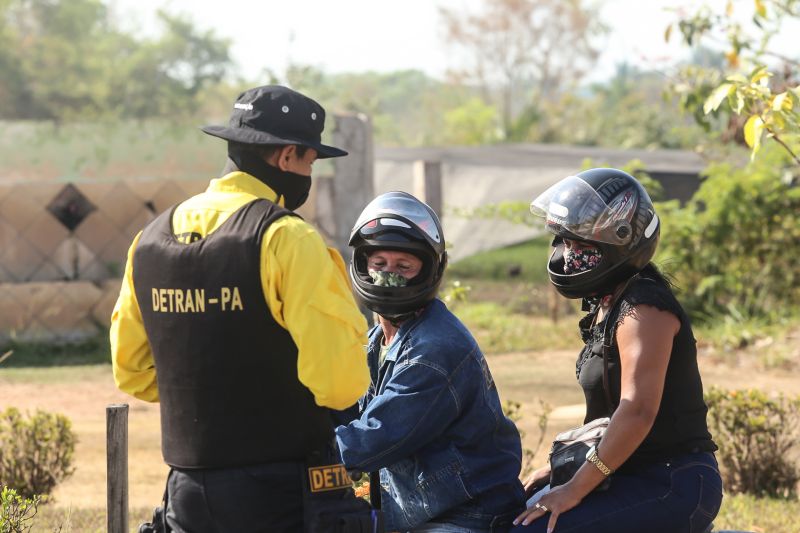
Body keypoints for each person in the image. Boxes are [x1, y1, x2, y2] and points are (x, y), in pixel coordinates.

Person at [110, 85, 371, 532]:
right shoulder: (288, 239)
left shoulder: (149, 240)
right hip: (284, 493)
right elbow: (339, 384)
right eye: (311, 161)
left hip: (186, 490)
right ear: (287, 156)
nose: (310, 174)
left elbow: (131, 371)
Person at [510, 168, 722, 533]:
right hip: (628, 473)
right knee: (511, 511)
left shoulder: (644, 308)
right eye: (565, 241)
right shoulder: (607, 305)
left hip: (672, 482)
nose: (568, 253)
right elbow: (607, 419)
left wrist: (574, 489)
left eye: (581, 246)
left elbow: (637, 412)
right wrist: (561, 469)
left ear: (619, 245)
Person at [335, 191, 526, 533]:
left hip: (467, 515)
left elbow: (374, 438)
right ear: (363, 265)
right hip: (422, 510)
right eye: (379, 265)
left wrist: (296, 457)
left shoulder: (434, 350)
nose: (388, 276)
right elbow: (348, 408)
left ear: (429, 271)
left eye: (403, 267)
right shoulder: (377, 339)